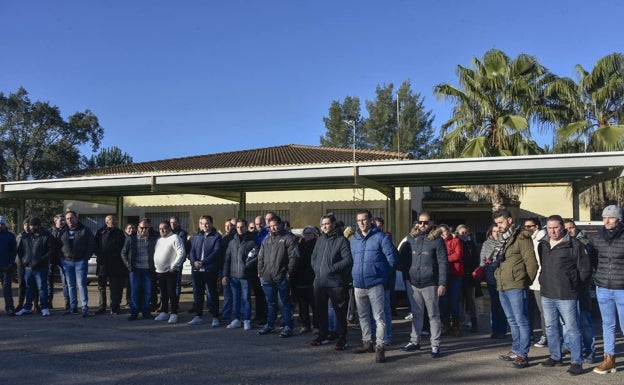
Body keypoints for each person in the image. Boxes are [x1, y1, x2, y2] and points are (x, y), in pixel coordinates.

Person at [536, 215, 591, 376]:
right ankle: (555, 356)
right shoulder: (543, 244)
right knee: (551, 327)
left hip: (567, 294)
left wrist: (573, 284)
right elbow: (543, 265)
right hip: (547, 293)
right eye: (549, 228)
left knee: (572, 329)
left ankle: (576, 361)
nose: (552, 231)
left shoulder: (574, 245)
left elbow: (585, 270)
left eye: (556, 227)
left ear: (563, 228)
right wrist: (542, 280)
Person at [398, 213, 446, 359]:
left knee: (433, 315)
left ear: (432, 223)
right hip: (413, 283)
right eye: (420, 222)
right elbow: (404, 260)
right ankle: (414, 341)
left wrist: (442, 283)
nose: (423, 225)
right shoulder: (411, 238)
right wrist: (406, 279)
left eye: (426, 222)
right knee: (416, 313)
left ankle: (435, 345)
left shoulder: (437, 241)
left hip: (430, 283)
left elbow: (443, 263)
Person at [350, 209, 396, 363]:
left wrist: (381, 275)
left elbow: (392, 259)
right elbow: (353, 260)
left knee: (379, 317)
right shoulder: (354, 240)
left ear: (370, 220)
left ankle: (380, 347)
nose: (361, 223)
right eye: (359, 220)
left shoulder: (381, 237)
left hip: (375, 283)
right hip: (358, 284)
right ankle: (366, 342)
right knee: (363, 316)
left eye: (364, 219)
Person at [494, 209, 538, 369]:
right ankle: (516, 349)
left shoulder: (521, 237)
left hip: (516, 285)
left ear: (510, 220)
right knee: (512, 321)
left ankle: (523, 354)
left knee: (521, 320)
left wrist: (524, 281)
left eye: (501, 222)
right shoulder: (503, 239)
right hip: (503, 284)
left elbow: (531, 263)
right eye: (497, 223)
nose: (498, 226)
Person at [310, 214, 353, 350]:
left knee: (339, 311)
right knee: (320, 311)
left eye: (327, 224)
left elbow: (347, 260)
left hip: (335, 282)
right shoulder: (320, 240)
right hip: (319, 282)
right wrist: (316, 268)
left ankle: (342, 338)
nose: (324, 227)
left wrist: (331, 269)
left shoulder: (342, 241)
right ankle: (323, 335)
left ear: (333, 224)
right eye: (322, 224)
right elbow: (314, 257)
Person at [592, 205, 624, 375]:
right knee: (607, 325)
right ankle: (609, 359)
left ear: (619, 219)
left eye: (610, 218)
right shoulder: (598, 238)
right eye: (604, 217)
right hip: (603, 287)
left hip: (622, 288)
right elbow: (592, 258)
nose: (606, 220)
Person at [257, 215, 299, 337]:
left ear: (280, 225)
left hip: (281, 277)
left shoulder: (289, 239)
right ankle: (270, 325)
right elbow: (260, 257)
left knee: (284, 303)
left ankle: (288, 326)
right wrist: (260, 271)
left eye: (275, 225)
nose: (273, 228)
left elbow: (294, 257)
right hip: (267, 277)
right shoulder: (266, 240)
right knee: (271, 303)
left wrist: (289, 272)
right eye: (270, 226)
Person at [564, 219, 596, 364]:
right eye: (567, 228)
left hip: (581, 288)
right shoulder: (561, 244)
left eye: (572, 228)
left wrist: (580, 282)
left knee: (584, 322)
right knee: (566, 322)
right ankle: (568, 346)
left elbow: (588, 267)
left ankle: (589, 350)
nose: (570, 231)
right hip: (565, 289)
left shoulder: (586, 244)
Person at [222, 219, 257, 331]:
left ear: (246, 227)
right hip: (233, 276)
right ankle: (236, 319)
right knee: (236, 298)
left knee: (246, 298)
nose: (240, 229)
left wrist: (246, 265)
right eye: (238, 227)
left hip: (245, 275)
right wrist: (225, 275)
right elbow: (227, 259)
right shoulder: (232, 242)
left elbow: (256, 256)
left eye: (242, 227)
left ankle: (246, 319)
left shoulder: (252, 241)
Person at [15, 217, 55, 317]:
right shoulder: (25, 237)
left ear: (39, 225)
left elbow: (51, 250)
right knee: (29, 288)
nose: (32, 227)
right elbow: (20, 250)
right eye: (31, 225)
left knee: (42, 288)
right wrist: (24, 260)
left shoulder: (46, 236)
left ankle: (44, 307)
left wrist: (42, 259)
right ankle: (27, 307)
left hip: (41, 267)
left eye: (34, 225)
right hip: (28, 267)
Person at [188, 215, 223, 326]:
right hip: (197, 270)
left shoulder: (216, 236)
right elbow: (192, 251)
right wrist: (194, 262)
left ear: (212, 224)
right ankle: (198, 316)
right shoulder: (197, 236)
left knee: (212, 294)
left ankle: (215, 317)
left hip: (210, 269)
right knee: (198, 294)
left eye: (207, 223)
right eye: (202, 223)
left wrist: (203, 262)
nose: (205, 225)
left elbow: (216, 252)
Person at [60, 210, 96, 317]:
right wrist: (61, 257)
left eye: (71, 218)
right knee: (70, 285)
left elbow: (91, 244)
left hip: (80, 261)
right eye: (67, 219)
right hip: (67, 262)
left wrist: (86, 257)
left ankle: (84, 307)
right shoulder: (62, 231)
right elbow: (57, 244)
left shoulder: (85, 230)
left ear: (77, 218)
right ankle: (73, 307)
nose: (69, 220)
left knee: (81, 284)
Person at [121, 218, 157, 321]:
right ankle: (134, 312)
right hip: (135, 269)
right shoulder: (131, 238)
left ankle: (146, 312)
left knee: (147, 291)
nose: (144, 230)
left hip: (148, 269)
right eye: (142, 228)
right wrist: (129, 265)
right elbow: (123, 252)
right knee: (135, 292)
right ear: (138, 228)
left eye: (146, 228)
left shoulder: (154, 237)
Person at [94, 215, 127, 315]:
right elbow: (95, 245)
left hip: (115, 263)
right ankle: (102, 307)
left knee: (115, 287)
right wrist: (99, 254)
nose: (114, 222)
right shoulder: (100, 232)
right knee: (101, 287)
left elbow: (123, 247)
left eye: (115, 220)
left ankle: (115, 307)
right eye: (112, 220)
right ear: (106, 222)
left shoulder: (119, 233)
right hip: (102, 263)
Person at [153, 221, 185, 324]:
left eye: (164, 228)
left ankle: (174, 313)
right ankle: (164, 312)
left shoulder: (175, 238)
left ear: (169, 228)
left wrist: (174, 266)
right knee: (163, 293)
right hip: (160, 270)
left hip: (170, 271)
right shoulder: (159, 240)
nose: (162, 230)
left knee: (172, 292)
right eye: (160, 228)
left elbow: (181, 253)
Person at [480, 224, 507, 339]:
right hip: (491, 277)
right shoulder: (486, 244)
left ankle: (503, 330)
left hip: (504, 278)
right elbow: (482, 259)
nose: (496, 233)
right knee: (494, 305)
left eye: (498, 231)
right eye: (494, 231)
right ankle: (495, 329)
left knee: (503, 305)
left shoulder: (506, 243)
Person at [524, 217, 548, 349]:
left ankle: (546, 335)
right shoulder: (531, 239)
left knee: (542, 310)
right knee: (530, 309)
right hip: (530, 279)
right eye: (525, 226)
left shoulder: (542, 240)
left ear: (537, 226)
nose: (527, 228)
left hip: (540, 280)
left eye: (529, 226)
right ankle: (530, 334)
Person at [438, 224, 464, 337]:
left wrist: (444, 258)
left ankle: (456, 326)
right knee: (443, 301)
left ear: (449, 231)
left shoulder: (456, 241)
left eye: (445, 231)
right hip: (442, 275)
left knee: (454, 301)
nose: (443, 234)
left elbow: (458, 255)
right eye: (441, 232)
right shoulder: (438, 242)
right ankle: (446, 324)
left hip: (455, 274)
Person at [293, 225, 317, 334]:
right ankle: (305, 325)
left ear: (314, 234)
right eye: (305, 233)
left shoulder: (317, 245)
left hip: (312, 279)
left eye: (309, 233)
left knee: (315, 305)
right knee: (302, 305)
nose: (307, 235)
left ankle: (316, 325)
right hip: (300, 279)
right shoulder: (299, 245)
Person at [455, 224, 480, 333]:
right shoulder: (456, 243)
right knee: (459, 300)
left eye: (466, 232)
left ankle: (474, 322)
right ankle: (459, 322)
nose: (464, 235)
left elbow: (475, 258)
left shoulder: (471, 244)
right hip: (459, 275)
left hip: (470, 276)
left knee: (471, 301)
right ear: (458, 233)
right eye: (462, 233)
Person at [50, 214, 70, 310]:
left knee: (65, 281)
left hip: (64, 258)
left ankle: (67, 302)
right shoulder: (49, 232)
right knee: (49, 281)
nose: (63, 222)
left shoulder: (68, 231)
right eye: (61, 220)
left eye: (63, 220)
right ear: (55, 221)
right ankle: (49, 302)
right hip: (51, 258)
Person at [0, 215, 17, 316]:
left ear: (4, 224)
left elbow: (13, 250)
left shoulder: (10, 235)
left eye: (1, 223)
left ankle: (10, 307)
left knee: (7, 288)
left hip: (6, 266)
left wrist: (10, 262)